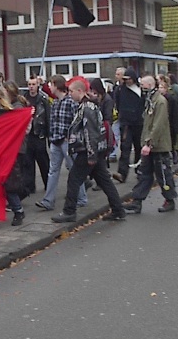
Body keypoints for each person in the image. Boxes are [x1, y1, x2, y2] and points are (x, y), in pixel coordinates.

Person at [52, 79, 126, 223]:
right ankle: (118, 210)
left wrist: (91, 155)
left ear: (80, 91)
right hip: (94, 150)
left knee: (74, 179)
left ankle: (69, 211)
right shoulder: (89, 106)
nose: (70, 94)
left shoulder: (87, 108)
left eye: (72, 91)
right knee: (105, 181)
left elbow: (91, 132)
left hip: (88, 151)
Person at [124, 75, 177, 214]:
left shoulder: (159, 101)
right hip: (149, 145)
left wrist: (149, 143)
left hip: (159, 146)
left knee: (163, 175)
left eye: (143, 85)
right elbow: (147, 124)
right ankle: (137, 201)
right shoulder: (149, 101)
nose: (141, 87)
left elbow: (158, 125)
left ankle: (169, 199)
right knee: (144, 174)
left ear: (150, 85)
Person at [35, 75, 87, 211]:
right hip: (56, 141)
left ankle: (81, 198)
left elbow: (77, 121)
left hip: (67, 142)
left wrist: (71, 138)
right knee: (53, 171)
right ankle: (48, 201)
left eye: (50, 84)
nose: (49, 87)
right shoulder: (55, 102)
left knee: (74, 170)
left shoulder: (70, 102)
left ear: (56, 85)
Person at [0, 85, 27, 230]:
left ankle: (18, 211)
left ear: (1, 99)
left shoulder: (9, 114)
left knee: (8, 185)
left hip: (5, 155)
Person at [112, 68, 144, 184]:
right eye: (126, 79)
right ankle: (122, 173)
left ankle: (140, 170)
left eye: (129, 79)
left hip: (139, 123)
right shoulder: (120, 90)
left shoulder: (140, 90)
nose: (128, 81)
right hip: (126, 124)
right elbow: (118, 104)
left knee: (139, 147)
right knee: (125, 148)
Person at [23, 75, 50, 195]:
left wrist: (48, 133)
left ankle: (48, 184)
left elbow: (47, 115)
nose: (31, 87)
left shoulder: (43, 98)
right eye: (29, 84)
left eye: (33, 84)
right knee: (28, 162)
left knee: (43, 161)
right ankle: (30, 186)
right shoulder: (24, 98)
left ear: (37, 85)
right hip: (28, 134)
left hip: (39, 133)